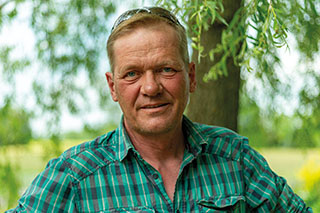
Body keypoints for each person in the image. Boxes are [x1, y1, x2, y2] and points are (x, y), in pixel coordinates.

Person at [7, 6, 312, 212]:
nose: (151, 88)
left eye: (166, 69)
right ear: (113, 87)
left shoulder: (236, 158)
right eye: (132, 74)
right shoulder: (74, 176)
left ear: (191, 77)